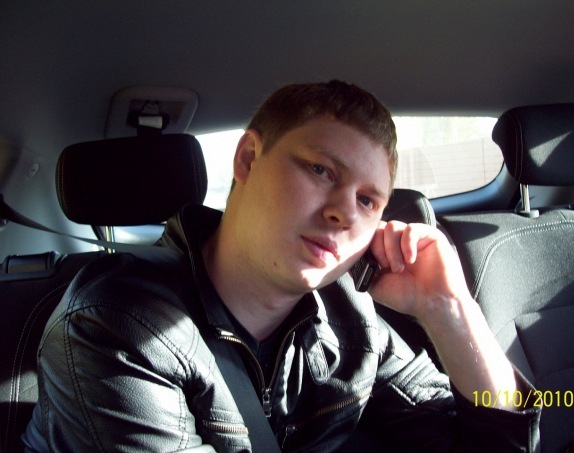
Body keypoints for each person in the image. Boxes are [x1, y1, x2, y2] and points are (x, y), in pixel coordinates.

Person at [23, 80, 540, 452]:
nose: (344, 212)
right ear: (248, 159)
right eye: (321, 170)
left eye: (367, 201)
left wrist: (449, 308)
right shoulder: (115, 324)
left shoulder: (353, 322)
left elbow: (488, 442)